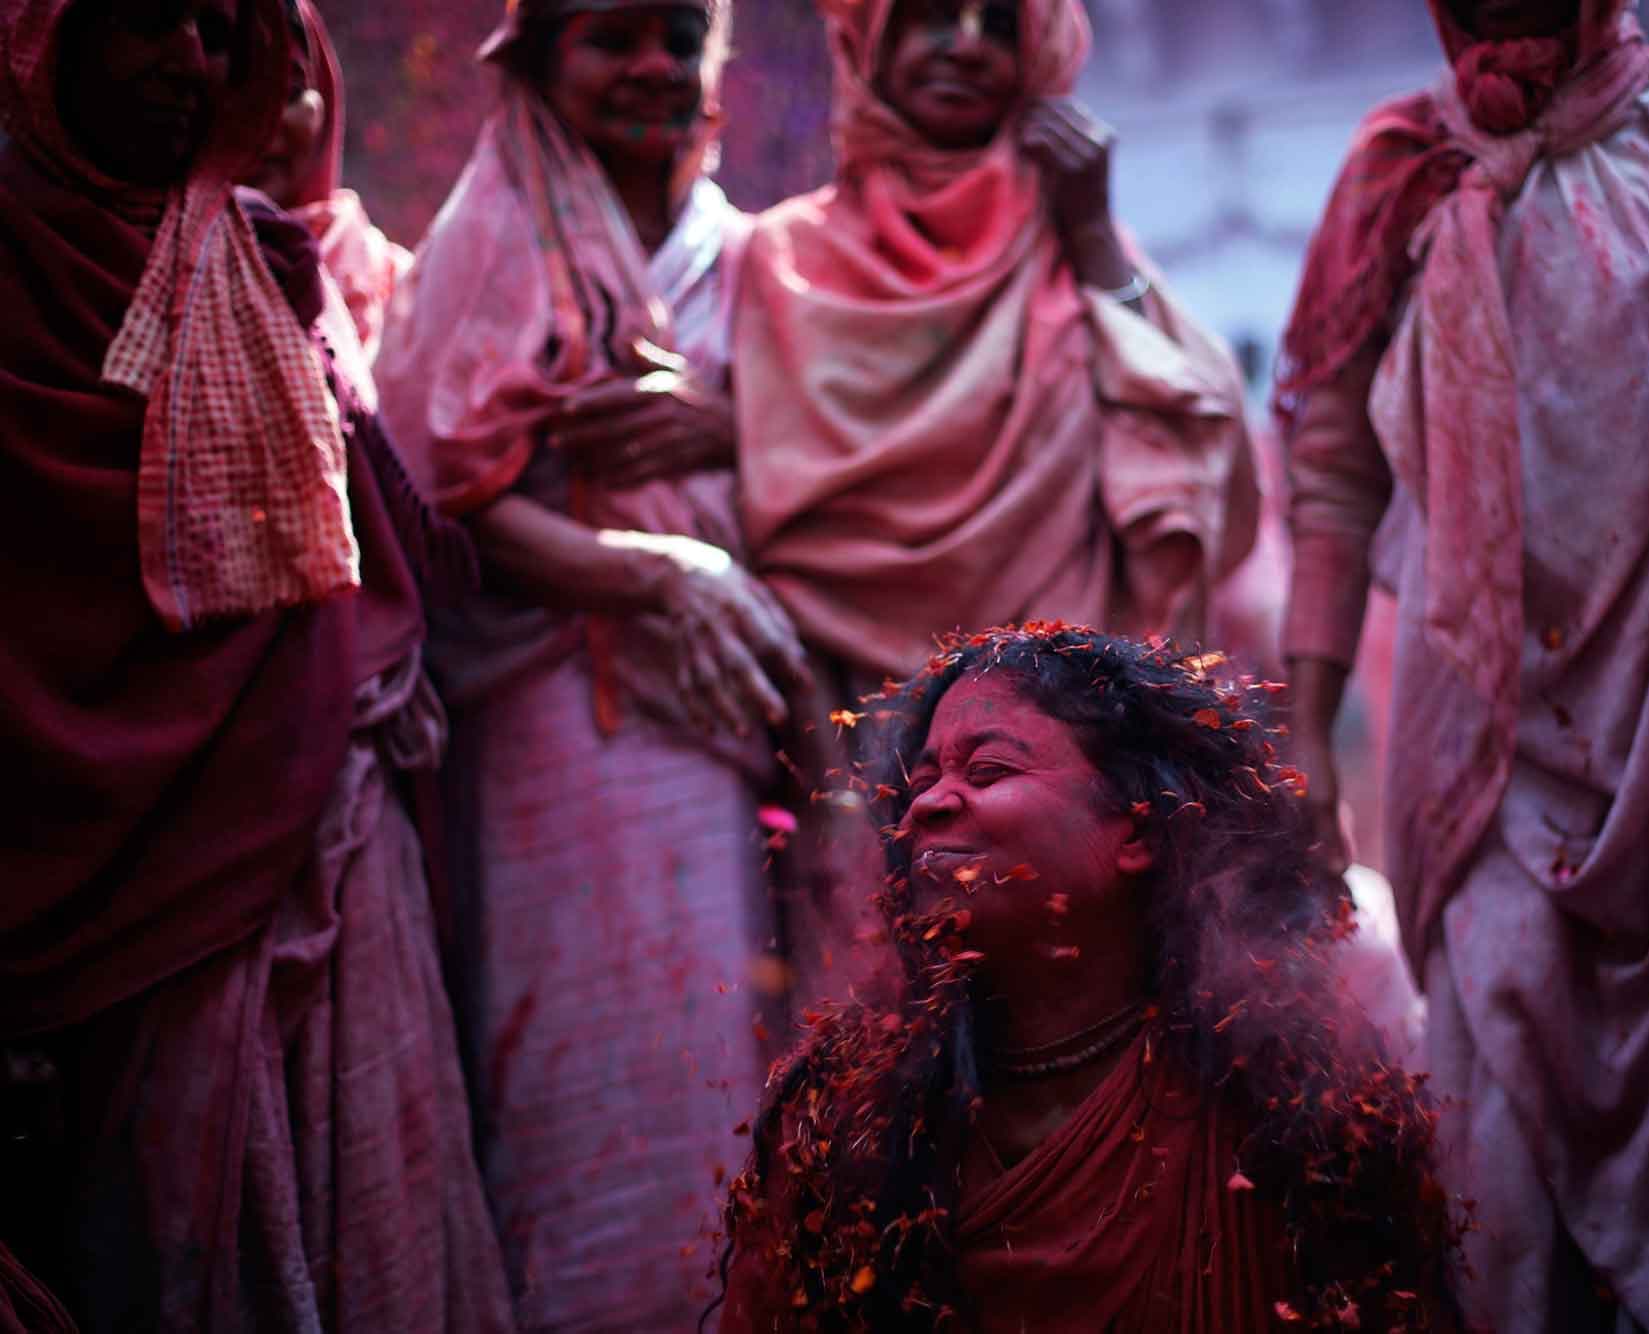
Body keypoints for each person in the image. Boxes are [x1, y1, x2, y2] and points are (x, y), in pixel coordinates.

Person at [1275, 2, 1649, 1328]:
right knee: (1498, 1178)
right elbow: (1333, 476)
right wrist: (1303, 734)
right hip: (1486, 754)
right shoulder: (1401, 167)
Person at [0, 1, 514, 1331]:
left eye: (219, 30)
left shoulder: (266, 258)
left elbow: (363, 548)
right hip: (91, 883)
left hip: (319, 813)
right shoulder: (13, 271)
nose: (188, 63)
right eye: (142, 22)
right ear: (39, 45)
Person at [374, 2, 810, 1327]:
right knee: (571, 1057)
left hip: (727, 714)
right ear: (538, 64)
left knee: (722, 1058)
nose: (651, 70)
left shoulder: (747, 257)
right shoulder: (488, 234)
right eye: (610, 38)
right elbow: (428, 484)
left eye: (680, 39)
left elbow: (835, 439)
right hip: (560, 714)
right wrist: (651, 573)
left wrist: (729, 429)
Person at [716, 624, 1462, 1332]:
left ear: (1137, 829)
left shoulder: (1288, 1103)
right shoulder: (842, 1112)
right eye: (920, 782)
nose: (928, 805)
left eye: (987, 770)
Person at [729, 0, 1260, 692]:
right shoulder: (781, 255)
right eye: (934, 17)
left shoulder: (1073, 242)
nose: (966, 48)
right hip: (842, 695)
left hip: (1059, 691)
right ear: (873, 45)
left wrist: (1092, 229)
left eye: (1003, 26)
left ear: (1040, 59)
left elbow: (1194, 427)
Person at [241, 0, 411, 365]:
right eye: (238, 93)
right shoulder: (142, 281)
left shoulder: (407, 296)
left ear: (325, 98)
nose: (263, 124)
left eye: (288, 93)